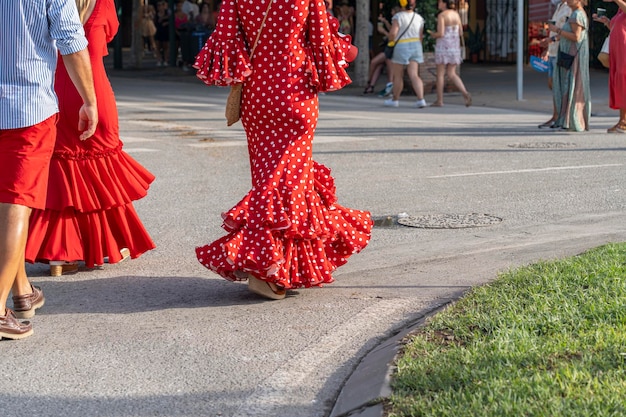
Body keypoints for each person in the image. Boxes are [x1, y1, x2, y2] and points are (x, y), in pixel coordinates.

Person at [193, 0, 372, 300]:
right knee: (288, 181)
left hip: (256, 96)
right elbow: (321, 41)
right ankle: (265, 265)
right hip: (294, 92)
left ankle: (280, 266)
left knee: (269, 179)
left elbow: (225, 41)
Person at [25, 0, 156, 277]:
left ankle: (60, 254)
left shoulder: (45, 4)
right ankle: (101, 245)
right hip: (92, 90)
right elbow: (108, 35)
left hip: (54, 92)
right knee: (101, 174)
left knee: (61, 175)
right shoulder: (103, 4)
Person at [0, 0, 97, 339]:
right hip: (26, 107)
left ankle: (22, 292)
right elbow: (71, 39)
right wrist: (89, 100)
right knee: (16, 204)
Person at [549, 0, 590, 132]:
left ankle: (571, 119)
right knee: (570, 86)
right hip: (572, 55)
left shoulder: (577, 14)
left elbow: (576, 37)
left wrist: (557, 30)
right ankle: (568, 119)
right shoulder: (576, 13)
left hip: (572, 56)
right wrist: (553, 38)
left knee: (570, 85)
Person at [384, 0, 428, 108]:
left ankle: (395, 100)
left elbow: (393, 33)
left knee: (398, 75)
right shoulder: (419, 18)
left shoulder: (398, 17)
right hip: (416, 46)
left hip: (401, 46)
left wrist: (390, 41)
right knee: (414, 74)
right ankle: (421, 99)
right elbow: (420, 36)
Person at [429, 0, 471, 107]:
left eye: (439, 2)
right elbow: (460, 31)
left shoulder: (442, 15)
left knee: (440, 74)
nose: (438, 4)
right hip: (454, 47)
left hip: (443, 47)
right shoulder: (456, 14)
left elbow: (441, 33)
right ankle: (465, 93)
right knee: (452, 73)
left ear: (444, 3)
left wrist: (433, 34)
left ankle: (439, 100)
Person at [538, 0, 572, 128]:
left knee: (560, 85)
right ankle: (556, 115)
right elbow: (553, 29)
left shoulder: (570, 8)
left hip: (561, 50)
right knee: (552, 84)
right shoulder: (559, 6)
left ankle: (562, 116)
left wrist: (551, 39)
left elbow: (567, 31)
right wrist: (547, 48)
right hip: (552, 51)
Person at [594, 0, 626, 133]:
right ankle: (622, 120)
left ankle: (624, 122)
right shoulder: (620, 10)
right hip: (618, 52)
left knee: (624, 83)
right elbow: (618, 29)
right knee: (619, 84)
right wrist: (607, 22)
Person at [363, 10, 397, 95]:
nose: (391, 12)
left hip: (392, 48)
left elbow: (393, 36)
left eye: (393, 11)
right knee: (378, 65)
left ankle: (370, 82)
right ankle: (371, 85)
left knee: (375, 62)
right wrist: (385, 22)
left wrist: (383, 32)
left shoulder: (398, 20)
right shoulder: (395, 21)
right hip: (389, 47)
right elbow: (392, 30)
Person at [155, 0, 171, 67]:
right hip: (158, 31)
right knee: (158, 46)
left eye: (161, 5)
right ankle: (159, 60)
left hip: (165, 31)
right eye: (158, 5)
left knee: (166, 47)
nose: (160, 7)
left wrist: (166, 22)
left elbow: (171, 20)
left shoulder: (167, 13)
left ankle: (166, 60)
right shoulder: (156, 14)